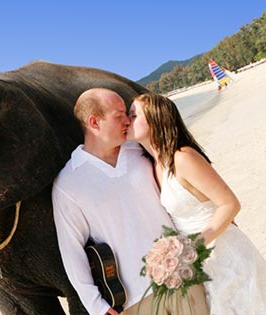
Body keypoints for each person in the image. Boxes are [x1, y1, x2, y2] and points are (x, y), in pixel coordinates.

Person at [52, 88, 209, 315]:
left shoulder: (141, 150)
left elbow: (184, 182)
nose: (128, 121)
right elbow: (71, 250)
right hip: (134, 300)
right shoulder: (68, 184)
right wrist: (96, 305)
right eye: (119, 116)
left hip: (183, 276)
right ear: (94, 122)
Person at [127, 92, 266, 314]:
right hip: (201, 264)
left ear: (154, 118)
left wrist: (192, 247)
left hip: (224, 253)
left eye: (133, 115)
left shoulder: (182, 157)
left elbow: (230, 204)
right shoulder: (155, 166)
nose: (127, 120)